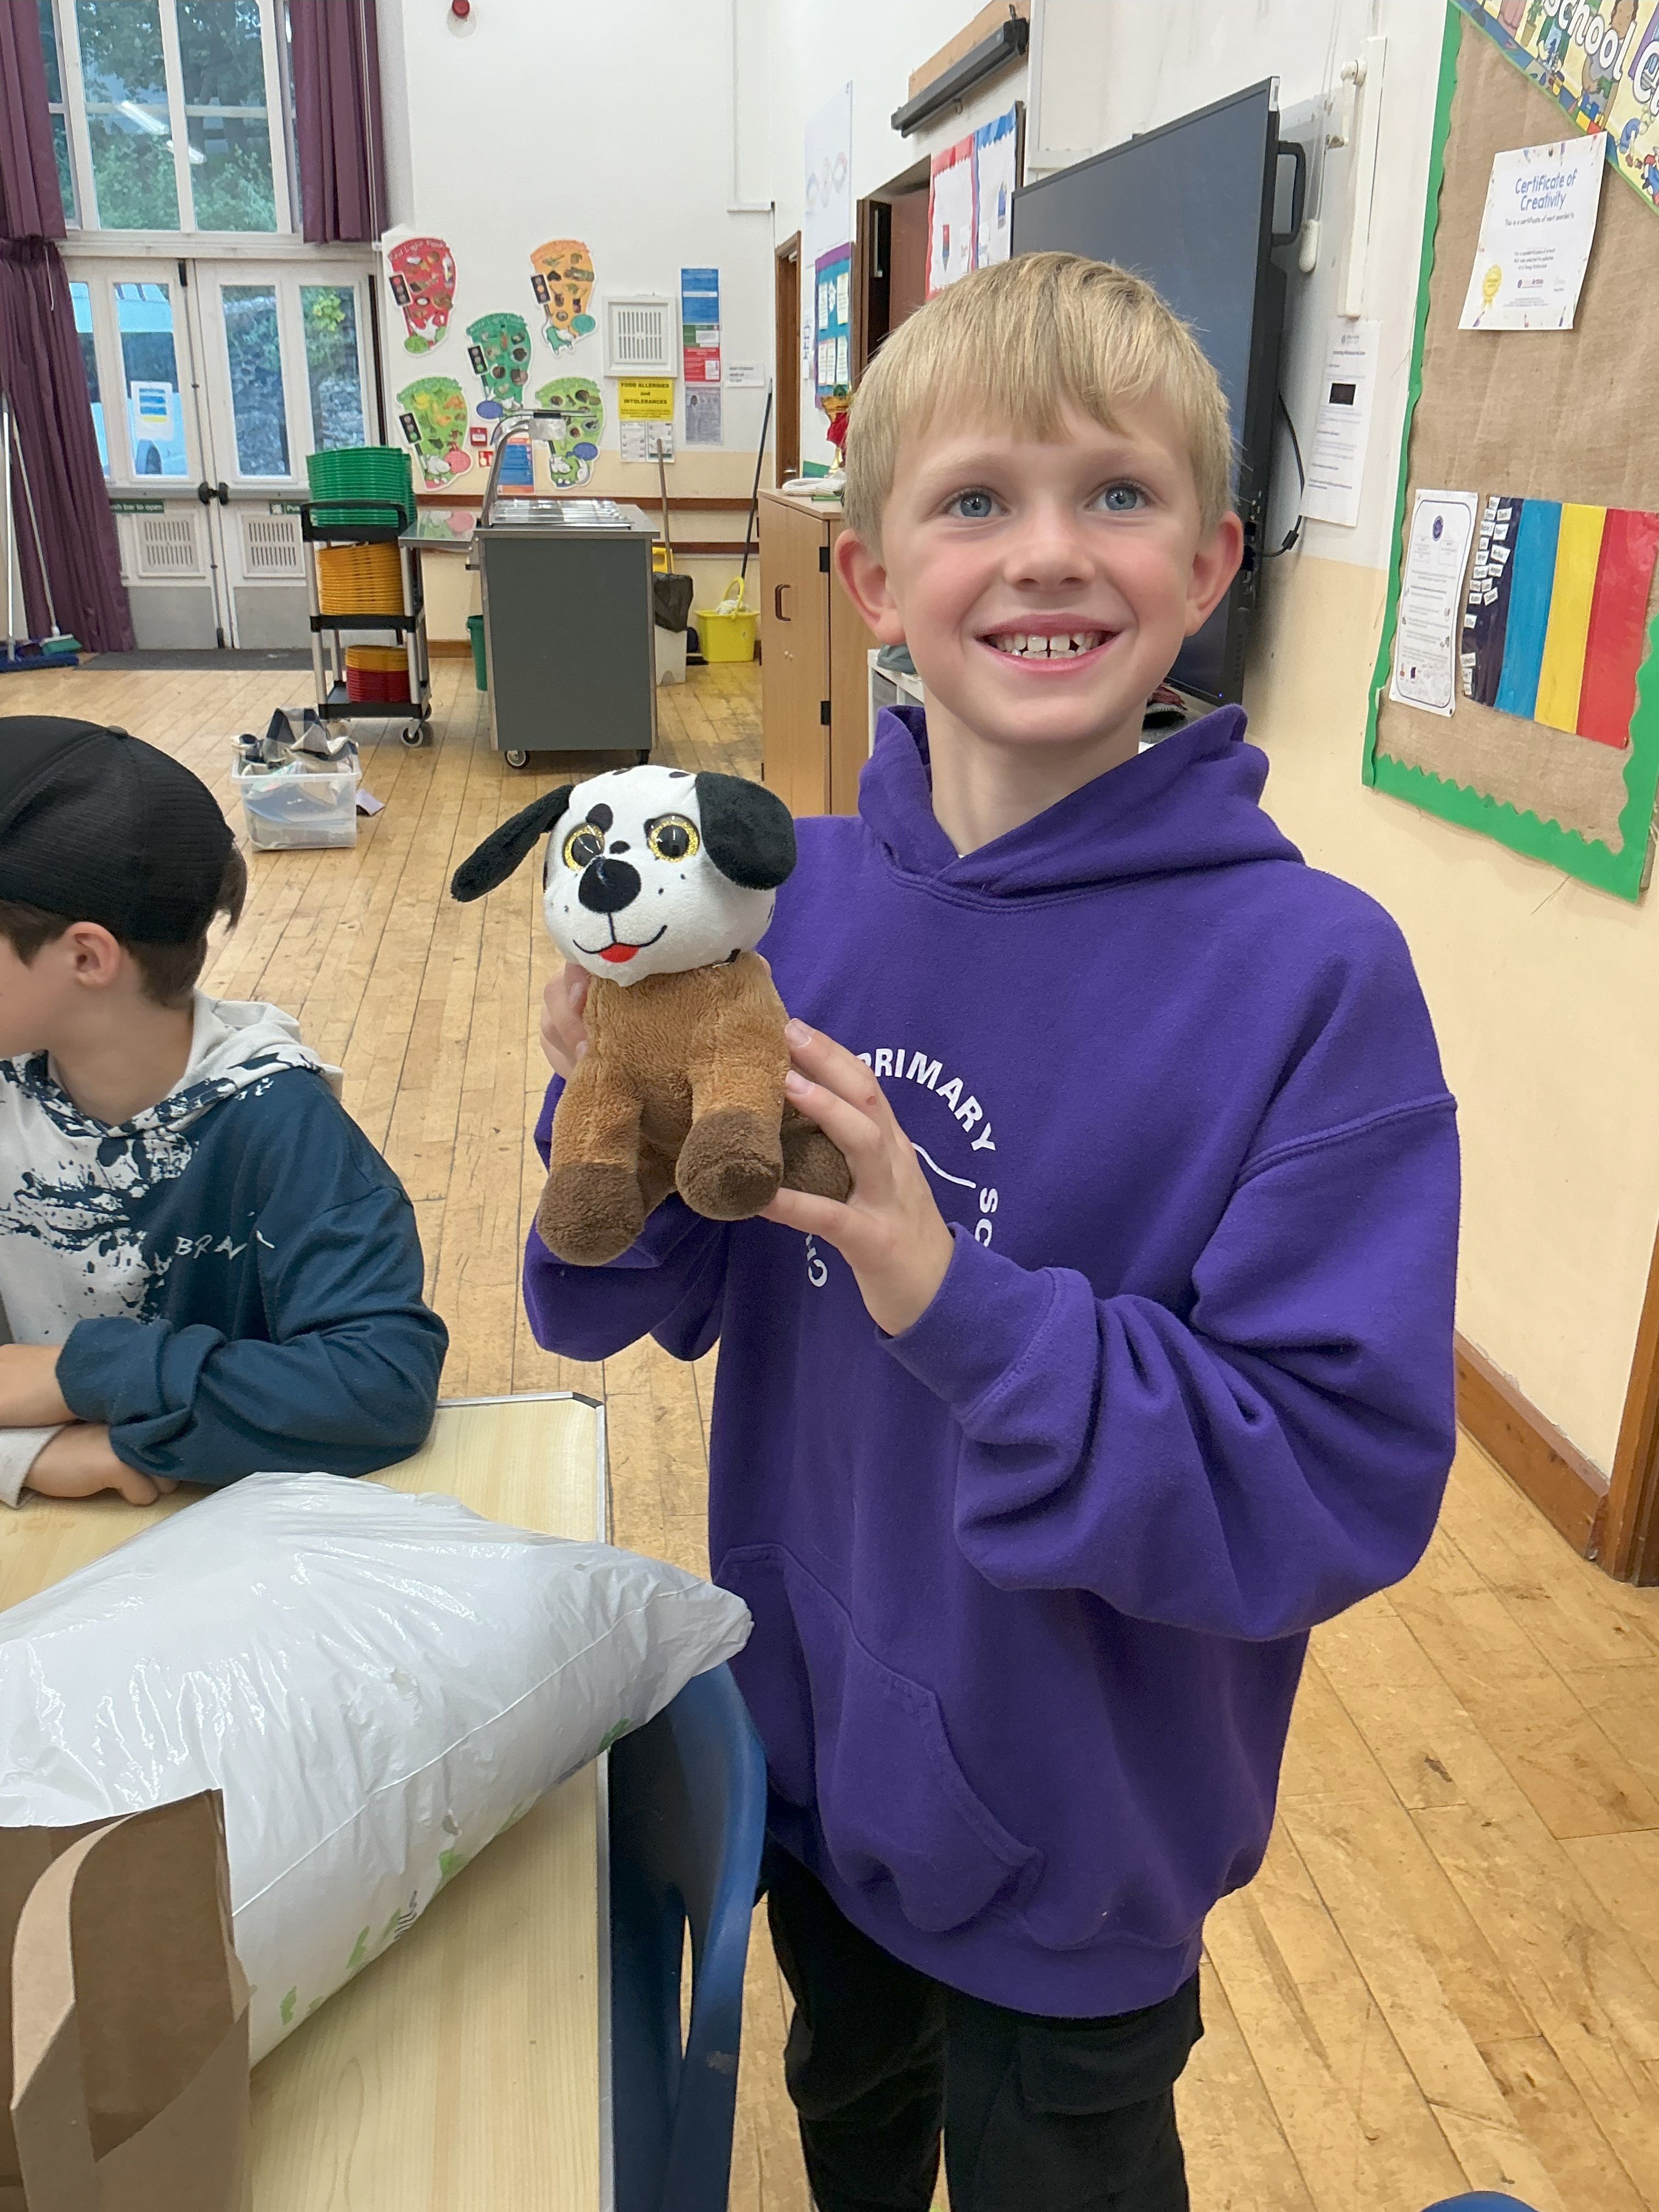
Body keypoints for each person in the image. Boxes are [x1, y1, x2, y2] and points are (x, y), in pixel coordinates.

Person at [522, 253, 1459, 2211]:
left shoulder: (1313, 978)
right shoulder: (786, 907)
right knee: (851, 2123)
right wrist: (604, 1117)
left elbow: (1331, 1477)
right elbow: (643, 1293)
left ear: (1208, 564)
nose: (1048, 552)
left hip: (1079, 1843)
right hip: (815, 1759)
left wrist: (947, 1294)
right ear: (871, 578)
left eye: (1115, 492)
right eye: (974, 500)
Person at [0, 716, 447, 1509]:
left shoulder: (280, 1123)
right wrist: (30, 1454)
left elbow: (378, 1388)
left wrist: (77, 1377)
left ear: (86, 957)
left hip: (236, 1538)